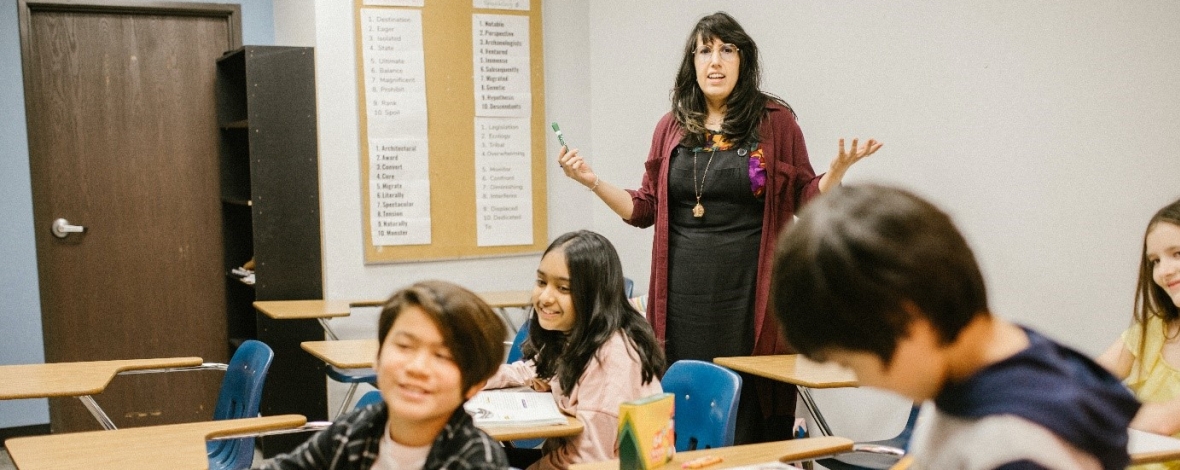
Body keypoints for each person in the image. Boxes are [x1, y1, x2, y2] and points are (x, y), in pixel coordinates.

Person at [555, 11, 881, 442]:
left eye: (727, 50)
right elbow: (644, 208)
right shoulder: (671, 127)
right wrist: (592, 181)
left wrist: (836, 172)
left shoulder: (775, 121)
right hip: (682, 298)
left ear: (743, 60)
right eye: (705, 50)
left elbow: (806, 197)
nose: (715, 60)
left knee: (750, 405)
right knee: (683, 406)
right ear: (692, 62)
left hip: (750, 296)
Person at [770, 184, 1140, 470]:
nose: (864, 382)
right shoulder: (978, 371)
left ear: (910, 322)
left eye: (852, 364)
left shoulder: (1014, 444)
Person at [257, 281, 509, 470]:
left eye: (443, 356)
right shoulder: (357, 429)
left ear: (474, 383)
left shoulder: (477, 460)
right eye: (404, 346)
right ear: (378, 356)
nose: (417, 367)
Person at [486, 230, 666, 470]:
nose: (545, 297)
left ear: (594, 296)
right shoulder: (576, 335)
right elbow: (528, 371)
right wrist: (467, 381)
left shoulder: (611, 357)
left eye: (563, 288)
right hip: (567, 458)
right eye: (541, 282)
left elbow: (590, 461)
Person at [1097, 198, 1180, 470]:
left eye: (1177, 254)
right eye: (1155, 261)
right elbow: (1083, 383)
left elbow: (1164, 421)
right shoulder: (1150, 332)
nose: (1163, 271)